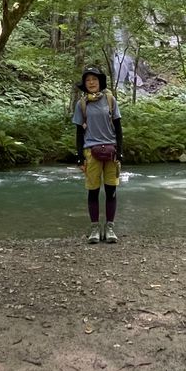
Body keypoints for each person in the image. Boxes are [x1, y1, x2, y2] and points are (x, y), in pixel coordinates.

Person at [72, 66, 123, 244]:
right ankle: (94, 228)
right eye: (88, 80)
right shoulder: (82, 104)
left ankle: (109, 227)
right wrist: (79, 156)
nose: (91, 82)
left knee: (111, 190)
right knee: (93, 191)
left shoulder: (110, 100)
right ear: (85, 84)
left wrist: (121, 152)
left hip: (111, 150)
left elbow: (118, 127)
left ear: (100, 82)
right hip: (90, 151)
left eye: (94, 79)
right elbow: (79, 131)